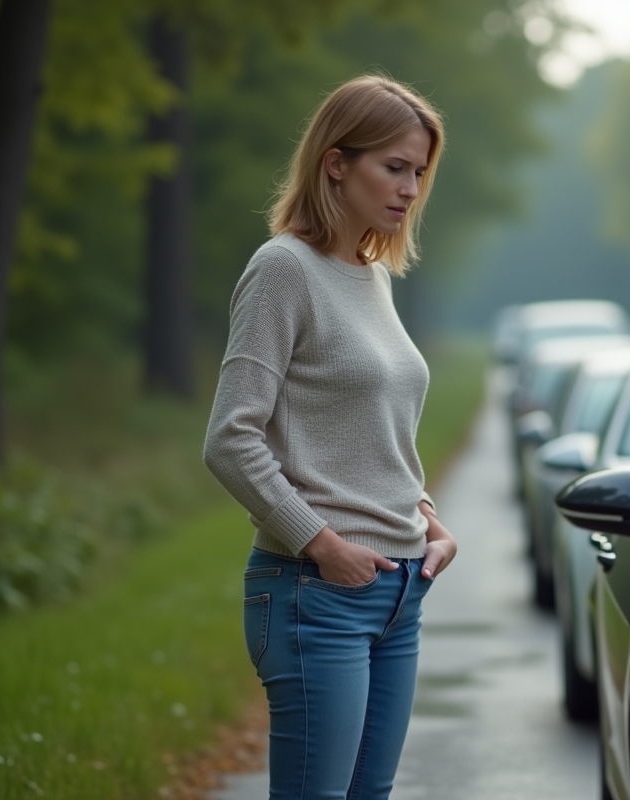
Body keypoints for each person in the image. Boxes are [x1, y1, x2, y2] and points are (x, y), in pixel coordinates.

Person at [203, 74, 456, 800]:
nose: (410, 188)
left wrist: (429, 519)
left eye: (419, 172)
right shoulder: (283, 269)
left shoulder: (371, 276)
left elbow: (369, 431)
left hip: (400, 589)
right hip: (318, 590)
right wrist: (321, 543)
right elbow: (230, 437)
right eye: (394, 166)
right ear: (336, 162)